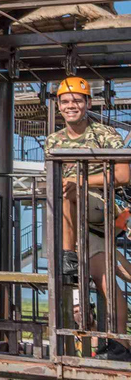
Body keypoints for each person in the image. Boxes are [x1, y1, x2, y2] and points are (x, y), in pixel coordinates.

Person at [44, 76, 131, 359]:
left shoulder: (105, 135)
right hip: (75, 222)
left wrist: (81, 182)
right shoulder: (53, 140)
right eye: (66, 101)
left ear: (88, 103)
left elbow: (122, 175)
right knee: (104, 280)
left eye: (77, 100)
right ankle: (116, 342)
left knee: (67, 189)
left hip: (102, 208)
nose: (71, 106)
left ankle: (67, 256)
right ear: (58, 106)